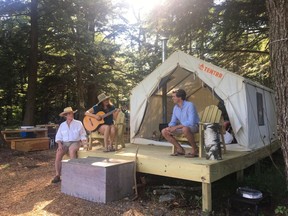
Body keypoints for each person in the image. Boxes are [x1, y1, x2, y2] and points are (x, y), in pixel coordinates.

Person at [51, 107, 87, 183]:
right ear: (66, 116)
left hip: (75, 142)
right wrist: (59, 145)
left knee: (72, 150)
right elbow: (58, 137)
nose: (71, 115)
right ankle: (58, 175)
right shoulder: (62, 125)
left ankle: (74, 174)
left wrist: (84, 143)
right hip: (65, 143)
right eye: (69, 114)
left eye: (72, 113)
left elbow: (83, 134)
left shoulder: (78, 123)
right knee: (58, 154)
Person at [161, 89, 200, 158]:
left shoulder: (190, 105)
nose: (172, 98)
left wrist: (176, 127)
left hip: (194, 127)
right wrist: (169, 127)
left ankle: (195, 149)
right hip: (182, 128)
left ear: (180, 97)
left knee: (185, 129)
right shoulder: (175, 108)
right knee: (164, 131)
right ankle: (180, 149)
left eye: (174, 96)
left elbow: (191, 122)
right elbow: (173, 121)